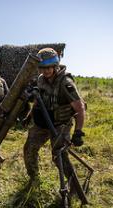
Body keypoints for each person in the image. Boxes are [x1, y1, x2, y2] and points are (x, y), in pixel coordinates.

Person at [23, 48, 86, 194]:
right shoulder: (40, 79)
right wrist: (29, 116)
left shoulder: (66, 82)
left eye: (48, 67)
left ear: (55, 66)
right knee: (29, 149)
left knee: (59, 157)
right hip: (42, 123)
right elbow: (38, 101)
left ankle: (75, 189)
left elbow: (80, 108)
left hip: (60, 125)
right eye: (42, 68)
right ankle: (34, 180)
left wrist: (78, 132)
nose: (45, 71)